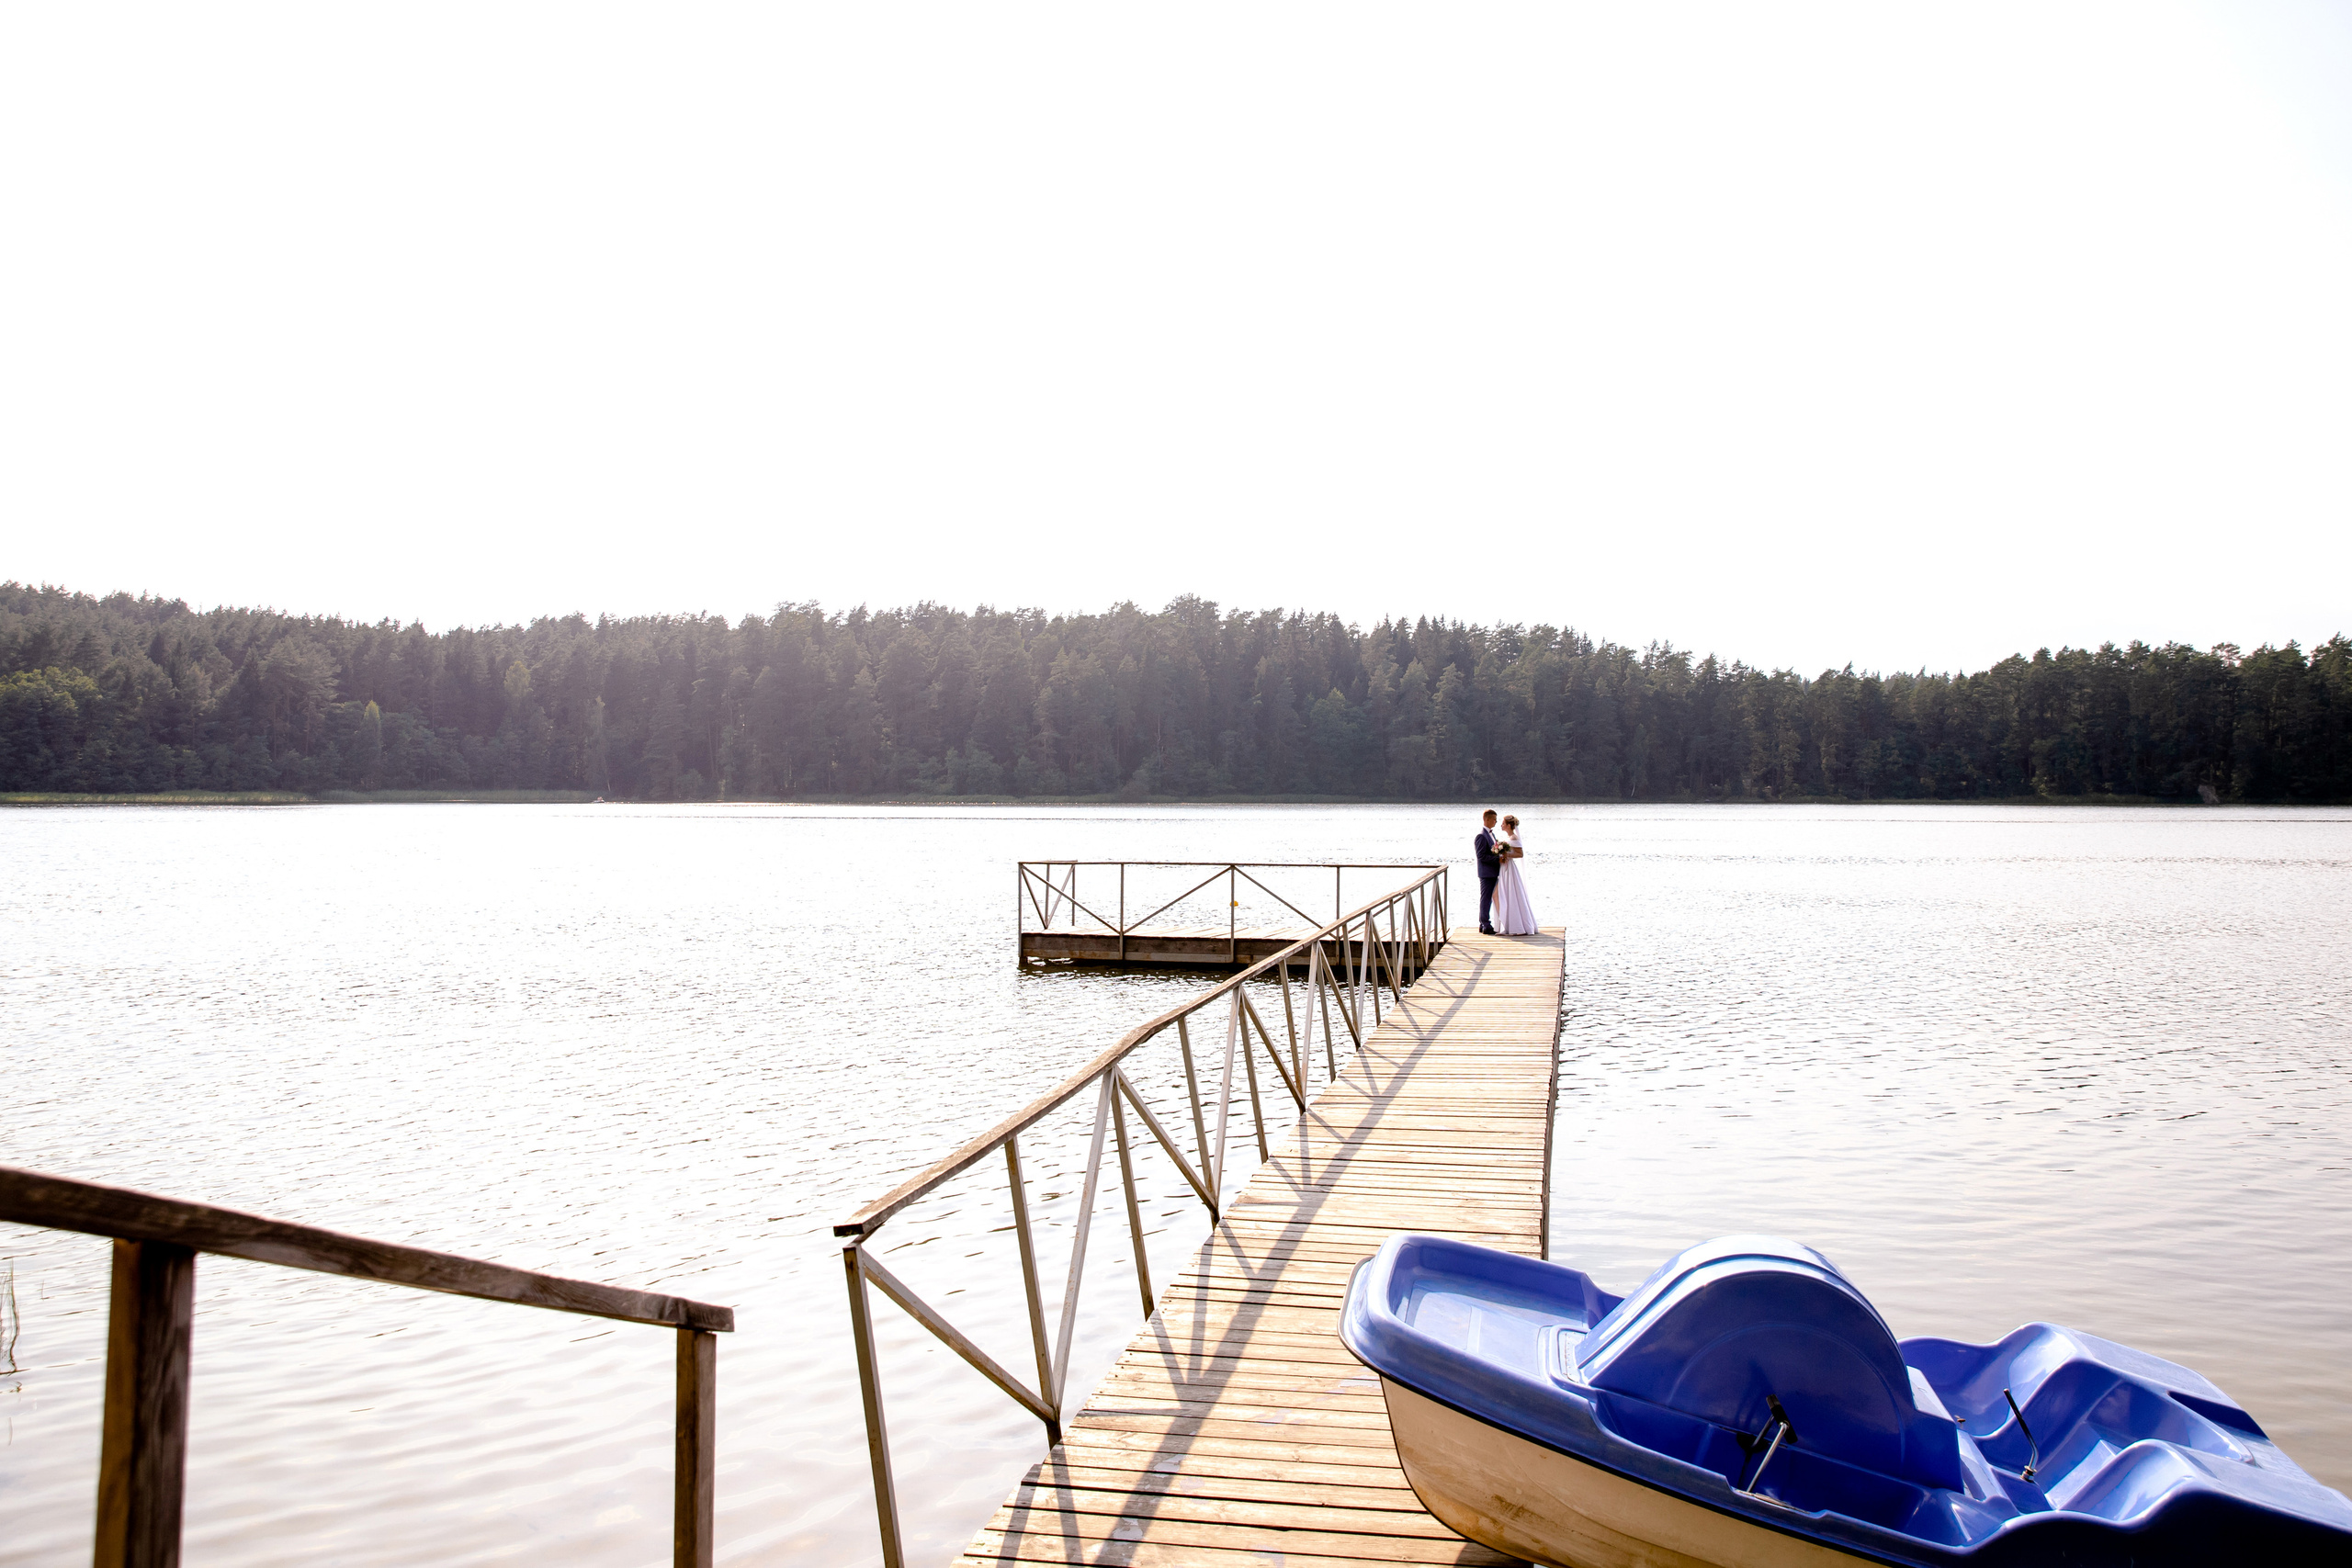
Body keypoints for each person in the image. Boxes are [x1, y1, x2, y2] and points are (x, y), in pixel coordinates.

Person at [1493, 814, 1537, 935]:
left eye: (1503, 823)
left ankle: (1514, 926)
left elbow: (1520, 854)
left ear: (1508, 825)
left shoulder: (1514, 838)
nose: (1501, 825)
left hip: (1510, 870)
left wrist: (1507, 854)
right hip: (1504, 869)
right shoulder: (1508, 838)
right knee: (1500, 895)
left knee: (1508, 895)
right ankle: (1506, 924)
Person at [1474, 809, 1503, 934]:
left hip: (1493, 872)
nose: (1496, 822)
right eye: (1494, 819)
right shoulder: (1481, 836)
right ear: (1487, 819)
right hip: (1486, 873)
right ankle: (1485, 924)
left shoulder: (1491, 834)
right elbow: (1481, 856)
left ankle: (1483, 924)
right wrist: (1498, 859)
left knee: (1489, 898)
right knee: (1486, 898)